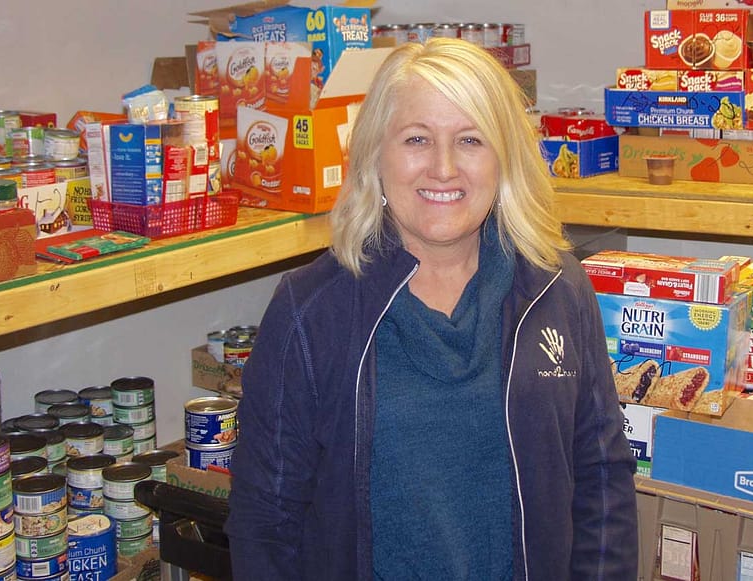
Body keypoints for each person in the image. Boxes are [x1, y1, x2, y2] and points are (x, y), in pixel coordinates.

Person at [225, 37, 639, 580]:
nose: (443, 169)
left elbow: (602, 481)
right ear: (375, 154)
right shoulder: (311, 311)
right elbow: (265, 522)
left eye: (470, 140)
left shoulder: (557, 290)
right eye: (417, 138)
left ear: (505, 158)